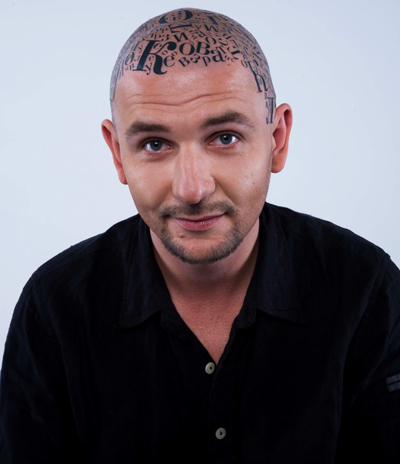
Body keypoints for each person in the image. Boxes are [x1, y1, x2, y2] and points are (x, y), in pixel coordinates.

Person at [1, 7, 399, 463]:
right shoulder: (54, 308)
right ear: (117, 153)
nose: (192, 189)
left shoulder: (366, 291)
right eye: (154, 144)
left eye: (225, 137)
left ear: (278, 139)